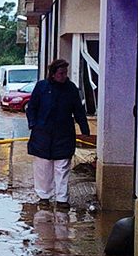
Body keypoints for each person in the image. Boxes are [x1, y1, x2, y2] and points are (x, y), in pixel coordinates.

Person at [26, 59, 91, 209]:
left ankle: (62, 199)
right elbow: (32, 108)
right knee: (43, 168)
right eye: (61, 73)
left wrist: (85, 129)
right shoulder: (42, 87)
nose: (64, 76)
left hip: (64, 134)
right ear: (53, 74)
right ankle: (44, 196)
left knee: (62, 167)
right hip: (42, 135)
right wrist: (33, 124)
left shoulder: (71, 89)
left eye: (65, 73)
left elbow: (79, 111)